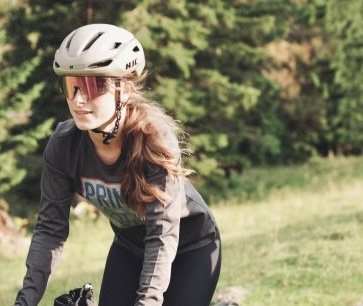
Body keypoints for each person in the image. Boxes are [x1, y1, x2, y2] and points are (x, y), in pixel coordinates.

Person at [13, 24, 221, 306]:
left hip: (190, 247)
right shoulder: (64, 145)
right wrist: (24, 301)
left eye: (92, 86)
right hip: (130, 248)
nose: (78, 100)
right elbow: (50, 230)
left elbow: (162, 235)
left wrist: (147, 302)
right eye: (70, 86)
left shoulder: (154, 140)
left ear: (125, 88)